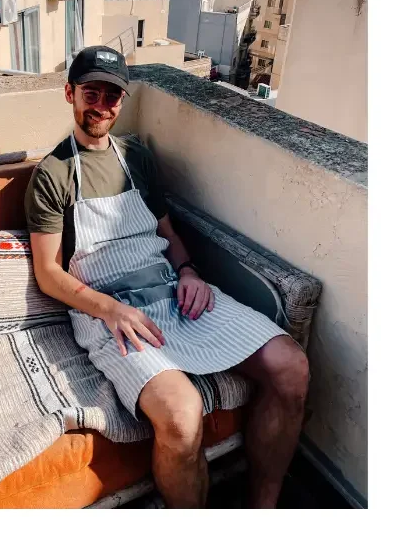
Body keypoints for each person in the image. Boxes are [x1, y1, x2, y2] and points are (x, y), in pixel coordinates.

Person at [24, 46, 309, 508]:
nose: (101, 105)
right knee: (181, 415)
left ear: (123, 99)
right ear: (69, 94)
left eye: (112, 95)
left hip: (175, 293)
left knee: (291, 365)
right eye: (90, 92)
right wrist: (110, 309)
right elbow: (48, 273)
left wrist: (190, 270)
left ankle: (264, 510)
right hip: (109, 313)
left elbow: (166, 231)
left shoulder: (136, 156)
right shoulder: (53, 175)